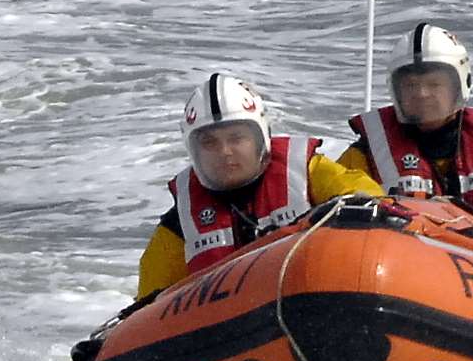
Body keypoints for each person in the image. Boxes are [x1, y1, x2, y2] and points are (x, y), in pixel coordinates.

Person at [137, 73, 384, 299]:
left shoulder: (305, 172)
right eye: (210, 143)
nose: (225, 152)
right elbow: (146, 305)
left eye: (236, 138)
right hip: (231, 334)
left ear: (261, 137)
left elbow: (368, 198)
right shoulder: (182, 221)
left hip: (319, 299)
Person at [338, 23, 473, 221]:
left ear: (459, 85)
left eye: (434, 84)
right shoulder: (362, 159)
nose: (422, 94)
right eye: (410, 85)